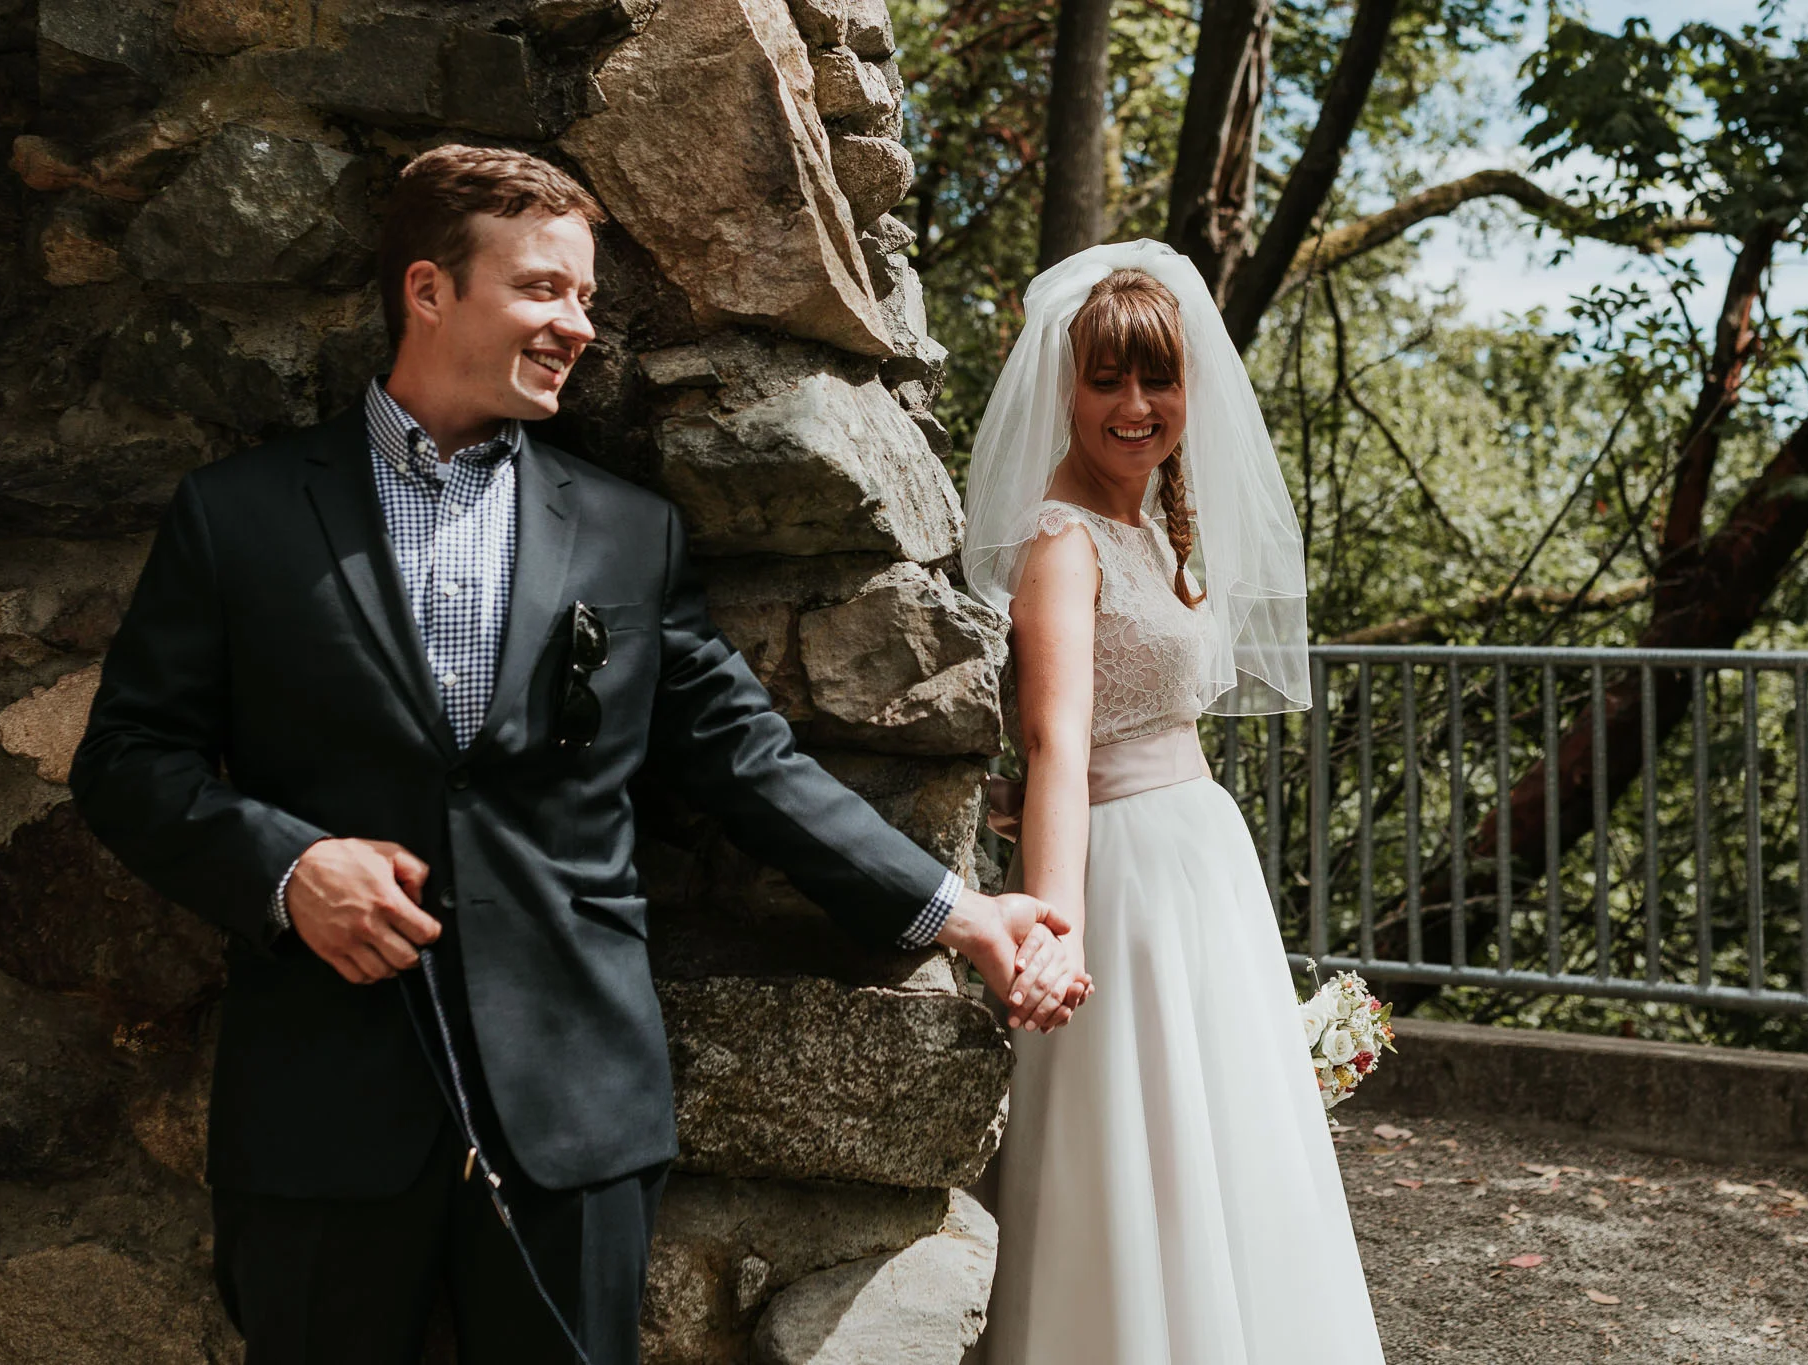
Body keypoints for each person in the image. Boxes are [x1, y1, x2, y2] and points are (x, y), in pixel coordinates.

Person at [67, 143, 1069, 1365]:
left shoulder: (625, 533)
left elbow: (745, 762)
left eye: (586, 298)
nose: (577, 326)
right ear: (428, 292)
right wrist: (288, 870)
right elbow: (126, 758)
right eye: (545, 289)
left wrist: (956, 912)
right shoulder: (242, 514)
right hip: (322, 1111)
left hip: (577, 1116)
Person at [966, 241, 1386, 1363]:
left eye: (1157, 380)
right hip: (1125, 884)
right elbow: (1057, 741)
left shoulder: (1153, 527)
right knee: (1134, 1154)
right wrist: (1054, 928)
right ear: (1067, 389)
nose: (1135, 405)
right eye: (1107, 379)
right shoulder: (1062, 543)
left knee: (1224, 1148)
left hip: (1201, 861)